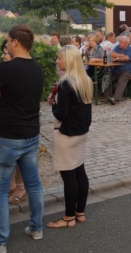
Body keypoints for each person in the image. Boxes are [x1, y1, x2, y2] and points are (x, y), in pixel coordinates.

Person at [0, 25, 44, 252]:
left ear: (15, 41)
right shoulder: (37, 67)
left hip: (7, 137)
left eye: (7, 40)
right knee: (33, 184)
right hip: (31, 134)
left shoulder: (6, 68)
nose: (5, 44)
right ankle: (36, 228)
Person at [45, 45, 92, 229]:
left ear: (69, 60)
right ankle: (80, 212)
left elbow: (61, 114)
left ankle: (68, 217)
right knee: (79, 171)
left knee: (69, 176)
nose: (57, 61)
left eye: (60, 58)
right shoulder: (85, 80)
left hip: (65, 134)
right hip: (81, 132)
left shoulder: (66, 84)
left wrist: (53, 104)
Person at [0, 41, 27, 205]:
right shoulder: (1, 70)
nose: (3, 56)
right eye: (3, 53)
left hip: (14, 122)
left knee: (18, 156)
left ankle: (21, 187)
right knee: (4, 155)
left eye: (6, 53)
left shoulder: (22, 72)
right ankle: (10, 184)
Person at [104, 35, 131, 105]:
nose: (119, 43)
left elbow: (127, 58)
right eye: (119, 42)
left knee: (121, 80)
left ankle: (115, 99)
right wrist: (121, 55)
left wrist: (117, 58)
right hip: (117, 70)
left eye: (121, 42)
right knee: (107, 79)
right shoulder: (118, 47)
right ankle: (107, 97)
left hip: (127, 70)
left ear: (126, 43)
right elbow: (112, 54)